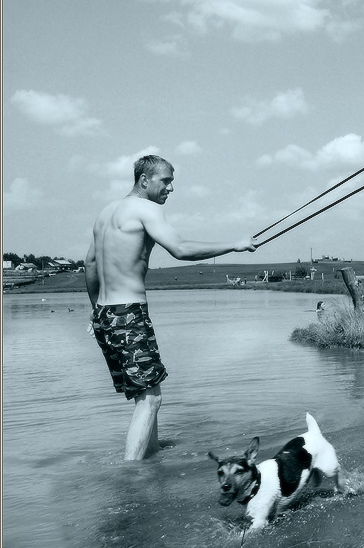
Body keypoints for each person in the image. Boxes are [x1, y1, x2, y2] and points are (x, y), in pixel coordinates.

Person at [85, 155, 258, 460]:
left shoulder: (106, 212)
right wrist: (234, 244)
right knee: (151, 399)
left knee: (144, 393)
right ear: (144, 180)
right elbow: (180, 249)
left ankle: (150, 458)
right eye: (166, 181)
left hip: (105, 314)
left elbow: (89, 263)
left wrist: (95, 310)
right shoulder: (146, 209)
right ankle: (131, 477)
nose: (171, 188)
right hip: (129, 313)